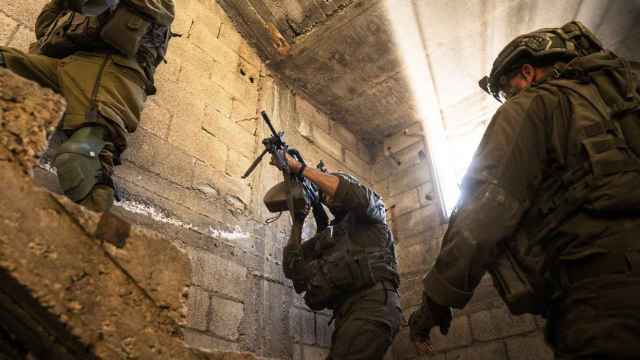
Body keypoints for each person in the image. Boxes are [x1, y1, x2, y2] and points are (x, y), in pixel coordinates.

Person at [409, 21, 640, 359]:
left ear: (528, 72)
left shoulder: (537, 102)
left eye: (506, 89)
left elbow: (485, 208)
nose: (507, 99)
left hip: (607, 291)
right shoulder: (625, 96)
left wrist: (434, 301)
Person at [0, 0, 175, 212]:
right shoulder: (66, 10)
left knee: (78, 161)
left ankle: (97, 233)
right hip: (61, 66)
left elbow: (161, 11)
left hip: (108, 71)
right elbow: (45, 31)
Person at [271, 153, 402, 359]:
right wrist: (298, 222)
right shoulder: (332, 236)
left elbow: (351, 194)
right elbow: (292, 269)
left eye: (330, 192)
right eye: (325, 197)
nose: (328, 197)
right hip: (348, 314)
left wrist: (300, 168)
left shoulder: (372, 213)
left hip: (372, 306)